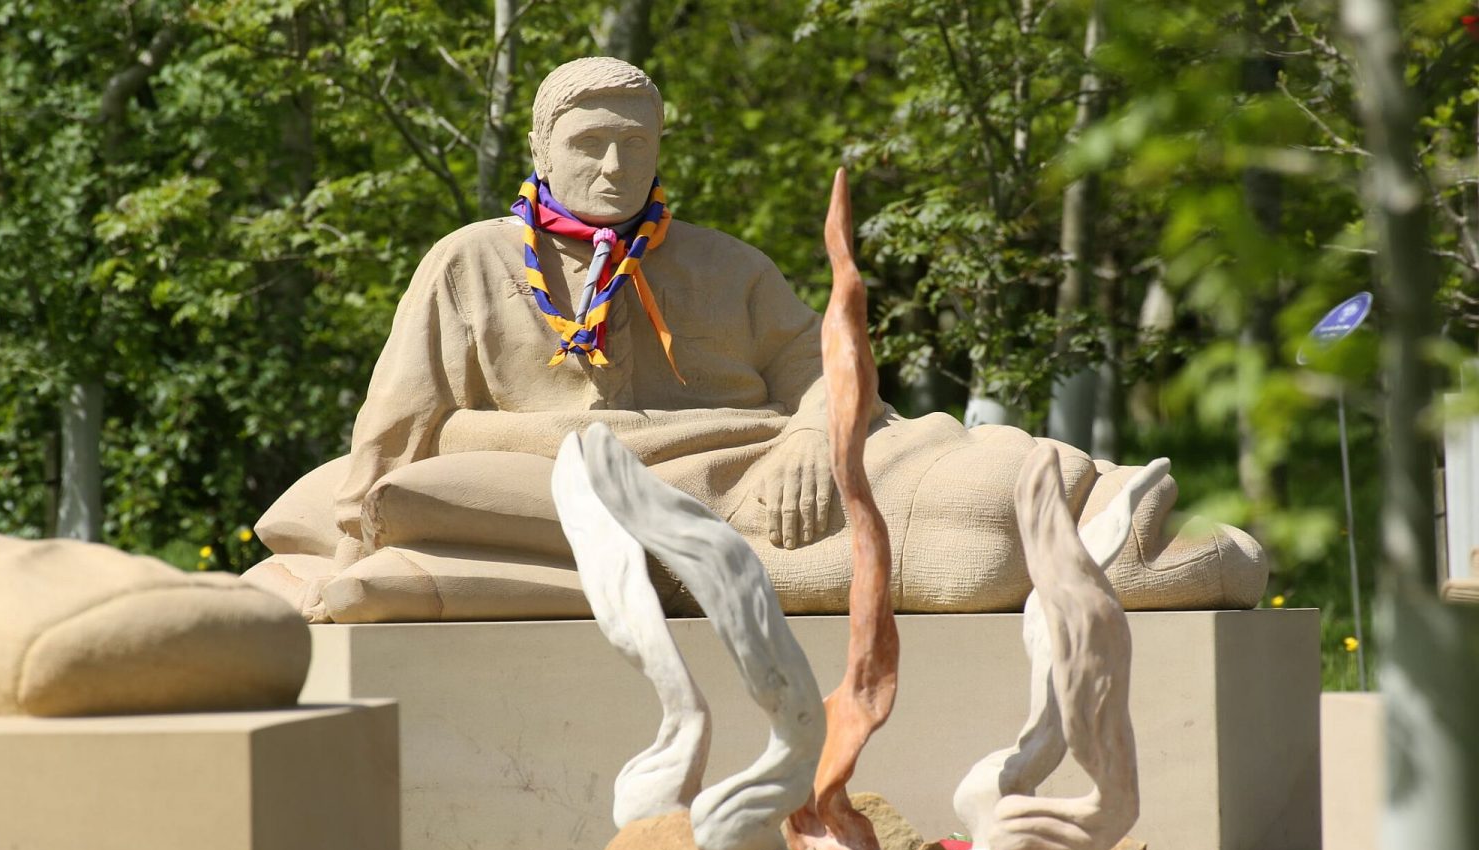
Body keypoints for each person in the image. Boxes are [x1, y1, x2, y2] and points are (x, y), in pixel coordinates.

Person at [243, 57, 1265, 622]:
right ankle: (1096, 533)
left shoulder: (725, 264)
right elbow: (396, 420)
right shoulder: (471, 261)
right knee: (972, 524)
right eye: (588, 144)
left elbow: (827, 368)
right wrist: (347, 542)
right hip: (619, 484)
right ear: (541, 151)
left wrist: (807, 441)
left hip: (776, 464)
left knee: (955, 459)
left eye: (634, 144)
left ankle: (1100, 506)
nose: (612, 163)